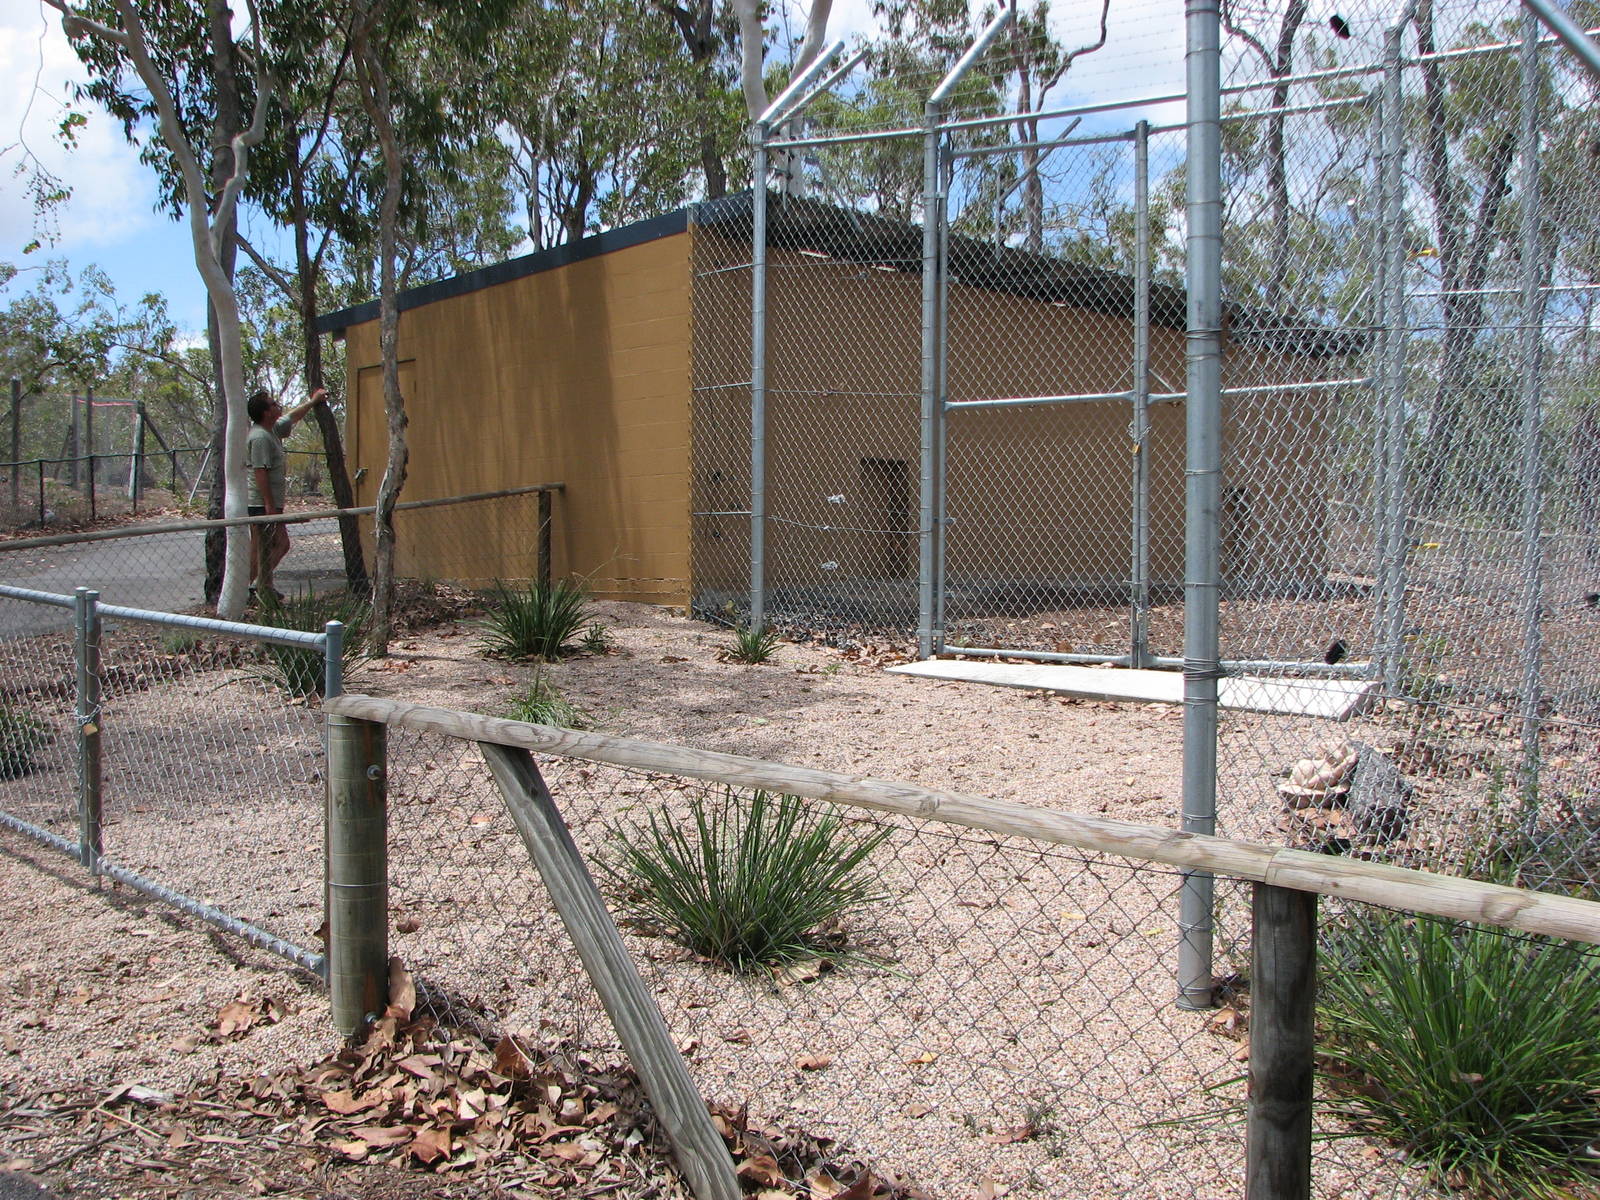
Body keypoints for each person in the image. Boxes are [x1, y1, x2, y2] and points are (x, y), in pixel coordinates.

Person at [245, 387, 326, 602]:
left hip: (272, 503)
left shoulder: (272, 429)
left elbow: (291, 417)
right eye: (272, 405)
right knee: (268, 546)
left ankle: (261, 586)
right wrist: (269, 504)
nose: (277, 406)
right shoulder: (260, 437)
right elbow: (260, 471)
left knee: (274, 545)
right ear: (264, 413)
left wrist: (313, 401)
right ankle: (248, 587)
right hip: (261, 504)